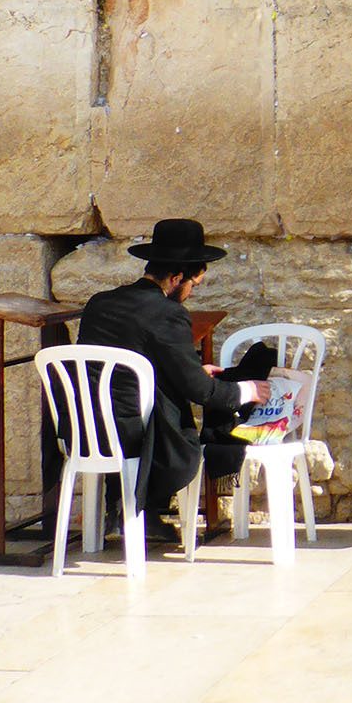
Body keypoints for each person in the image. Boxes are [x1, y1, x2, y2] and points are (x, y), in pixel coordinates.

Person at [76, 219, 266, 522]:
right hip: (132, 434)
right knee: (176, 420)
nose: (191, 292)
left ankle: (130, 512)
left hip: (85, 428)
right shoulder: (167, 313)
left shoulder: (100, 303)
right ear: (177, 278)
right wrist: (247, 390)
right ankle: (146, 515)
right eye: (192, 284)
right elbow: (200, 391)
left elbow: (131, 362)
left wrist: (193, 367)